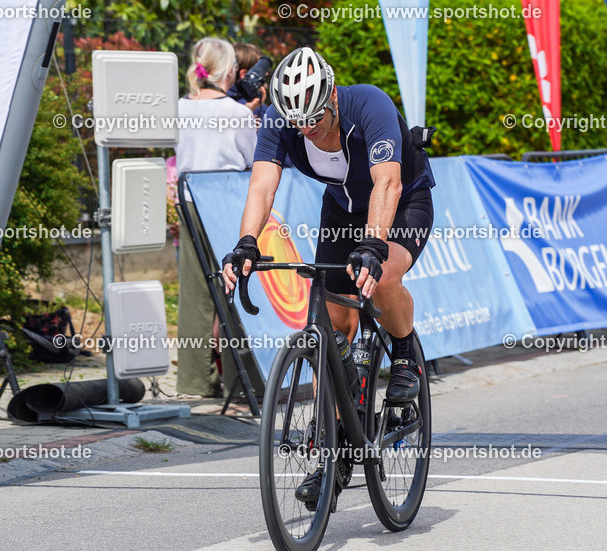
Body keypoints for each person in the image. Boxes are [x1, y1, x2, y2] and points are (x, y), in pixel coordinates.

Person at [222, 46, 435, 505]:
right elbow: (262, 184)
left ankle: (404, 354)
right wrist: (246, 243)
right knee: (331, 335)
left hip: (403, 202)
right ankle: (333, 451)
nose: (307, 129)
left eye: (315, 118)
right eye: (297, 121)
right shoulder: (280, 121)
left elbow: (388, 182)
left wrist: (374, 245)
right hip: (341, 211)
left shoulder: (369, 104)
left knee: (383, 277)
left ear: (333, 96)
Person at [175, 37, 258, 397]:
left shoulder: (178, 107)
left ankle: (195, 380)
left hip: (189, 201)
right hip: (227, 202)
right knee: (235, 285)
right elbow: (254, 162)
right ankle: (241, 381)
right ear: (230, 71)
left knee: (194, 294)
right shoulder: (238, 114)